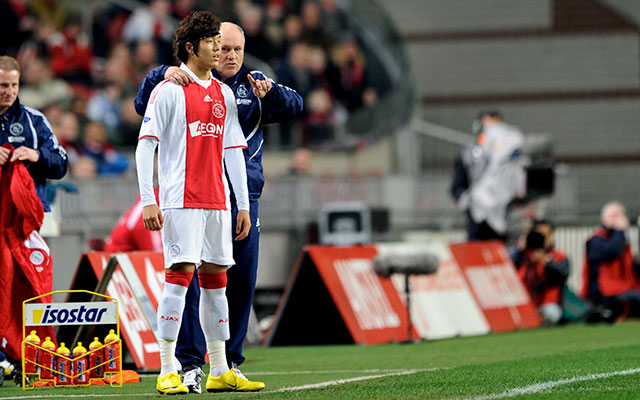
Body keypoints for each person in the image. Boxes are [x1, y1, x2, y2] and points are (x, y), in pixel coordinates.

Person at [135, 21, 303, 393]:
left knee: (219, 285)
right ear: (193, 48)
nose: (222, 52)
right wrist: (150, 199)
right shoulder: (168, 89)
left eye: (227, 46)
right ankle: (168, 368)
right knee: (179, 281)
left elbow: (234, 151)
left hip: (219, 203)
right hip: (180, 199)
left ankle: (220, 368)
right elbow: (145, 144)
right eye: (214, 44)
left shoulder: (227, 94)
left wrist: (242, 205)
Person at [0, 55, 67, 373]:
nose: (8, 91)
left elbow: (61, 163)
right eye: (2, 85)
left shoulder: (33, 120)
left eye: (13, 85)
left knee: (31, 289)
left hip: (28, 225)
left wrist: (37, 155)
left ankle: (29, 354)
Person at [450, 111, 526, 241]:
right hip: (478, 218)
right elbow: (457, 186)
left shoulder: (513, 157)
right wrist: (469, 202)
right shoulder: (469, 154)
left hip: (508, 217)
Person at [582, 202, 640, 322]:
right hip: (604, 291)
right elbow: (613, 252)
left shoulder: (619, 239)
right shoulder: (596, 239)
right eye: (614, 216)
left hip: (623, 287)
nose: (619, 219)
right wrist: (620, 230)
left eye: (620, 216)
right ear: (604, 218)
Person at [510, 220, 570, 324]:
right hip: (525, 303)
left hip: (549, 304)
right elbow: (507, 267)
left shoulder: (559, 257)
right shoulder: (522, 257)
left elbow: (561, 277)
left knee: (552, 313)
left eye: (546, 235)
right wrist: (520, 248)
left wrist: (546, 263)